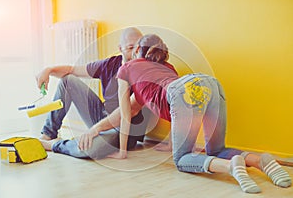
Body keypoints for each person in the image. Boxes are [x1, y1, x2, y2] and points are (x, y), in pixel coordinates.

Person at [107, 34, 291, 193]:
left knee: (181, 160)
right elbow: (176, 108)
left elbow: (126, 114)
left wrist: (122, 151)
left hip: (184, 90)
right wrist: (172, 142)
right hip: (210, 83)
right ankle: (263, 161)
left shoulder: (126, 68)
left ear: (138, 48)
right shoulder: (168, 68)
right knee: (218, 149)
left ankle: (231, 166)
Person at [37, 27, 153, 159]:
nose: (135, 53)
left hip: (123, 131)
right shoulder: (109, 64)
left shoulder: (145, 73)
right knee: (68, 80)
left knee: (88, 149)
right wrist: (48, 70)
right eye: (130, 48)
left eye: (139, 48)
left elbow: (127, 112)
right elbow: (72, 70)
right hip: (103, 117)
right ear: (120, 48)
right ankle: (48, 134)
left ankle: (53, 144)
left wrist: (94, 130)